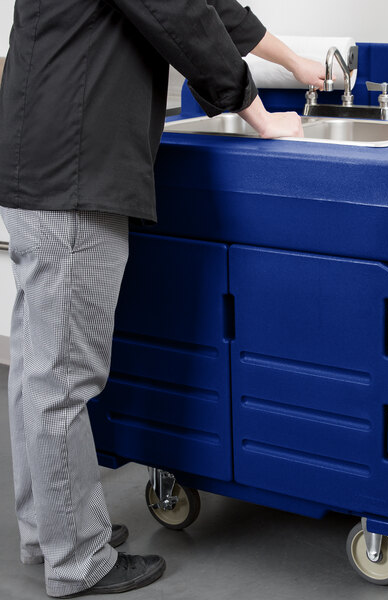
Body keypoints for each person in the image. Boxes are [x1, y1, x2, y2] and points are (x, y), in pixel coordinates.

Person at [0, 0, 326, 597]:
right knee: (63, 378)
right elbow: (180, 14)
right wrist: (259, 115)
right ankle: (77, 560)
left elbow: (209, 7)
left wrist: (295, 62)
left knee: (36, 368)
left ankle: (47, 533)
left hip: (38, 163)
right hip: (77, 169)